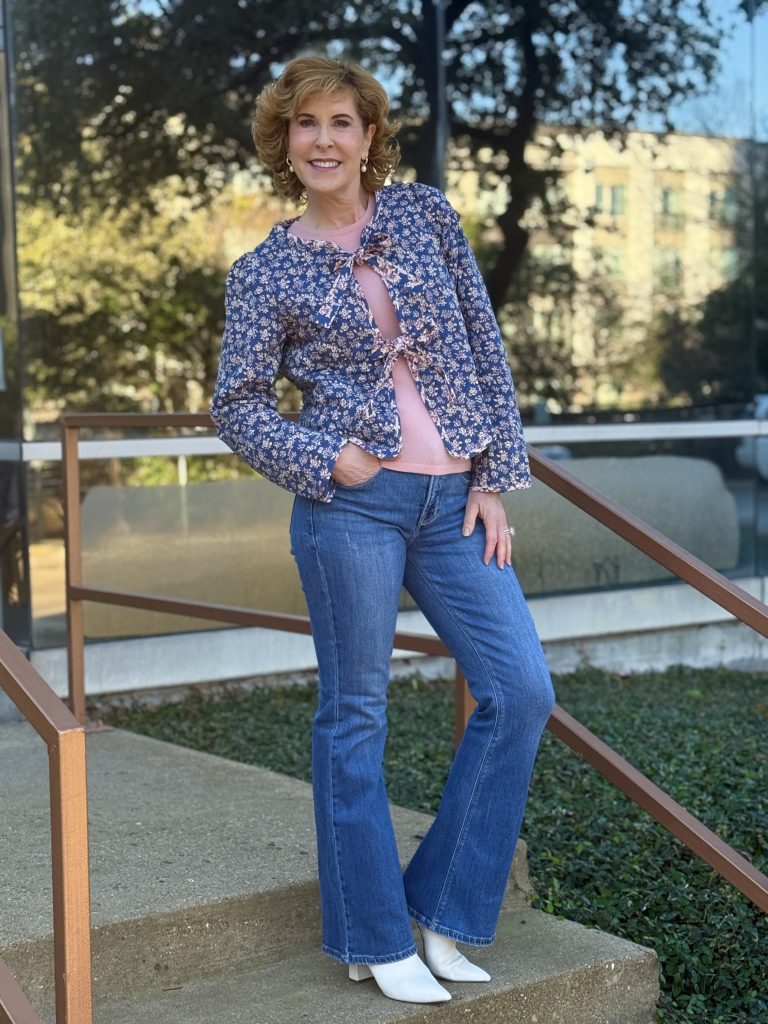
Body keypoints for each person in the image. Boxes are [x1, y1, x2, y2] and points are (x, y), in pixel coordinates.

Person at [211, 54, 555, 1006]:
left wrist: (495, 476)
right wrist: (325, 459)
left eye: (342, 123)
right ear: (286, 142)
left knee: (520, 690)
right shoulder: (266, 270)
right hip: (349, 508)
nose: (325, 139)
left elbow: (484, 345)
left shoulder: (424, 216)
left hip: (453, 506)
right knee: (354, 714)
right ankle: (371, 934)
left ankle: (443, 910)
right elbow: (236, 405)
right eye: (306, 124)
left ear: (369, 137)